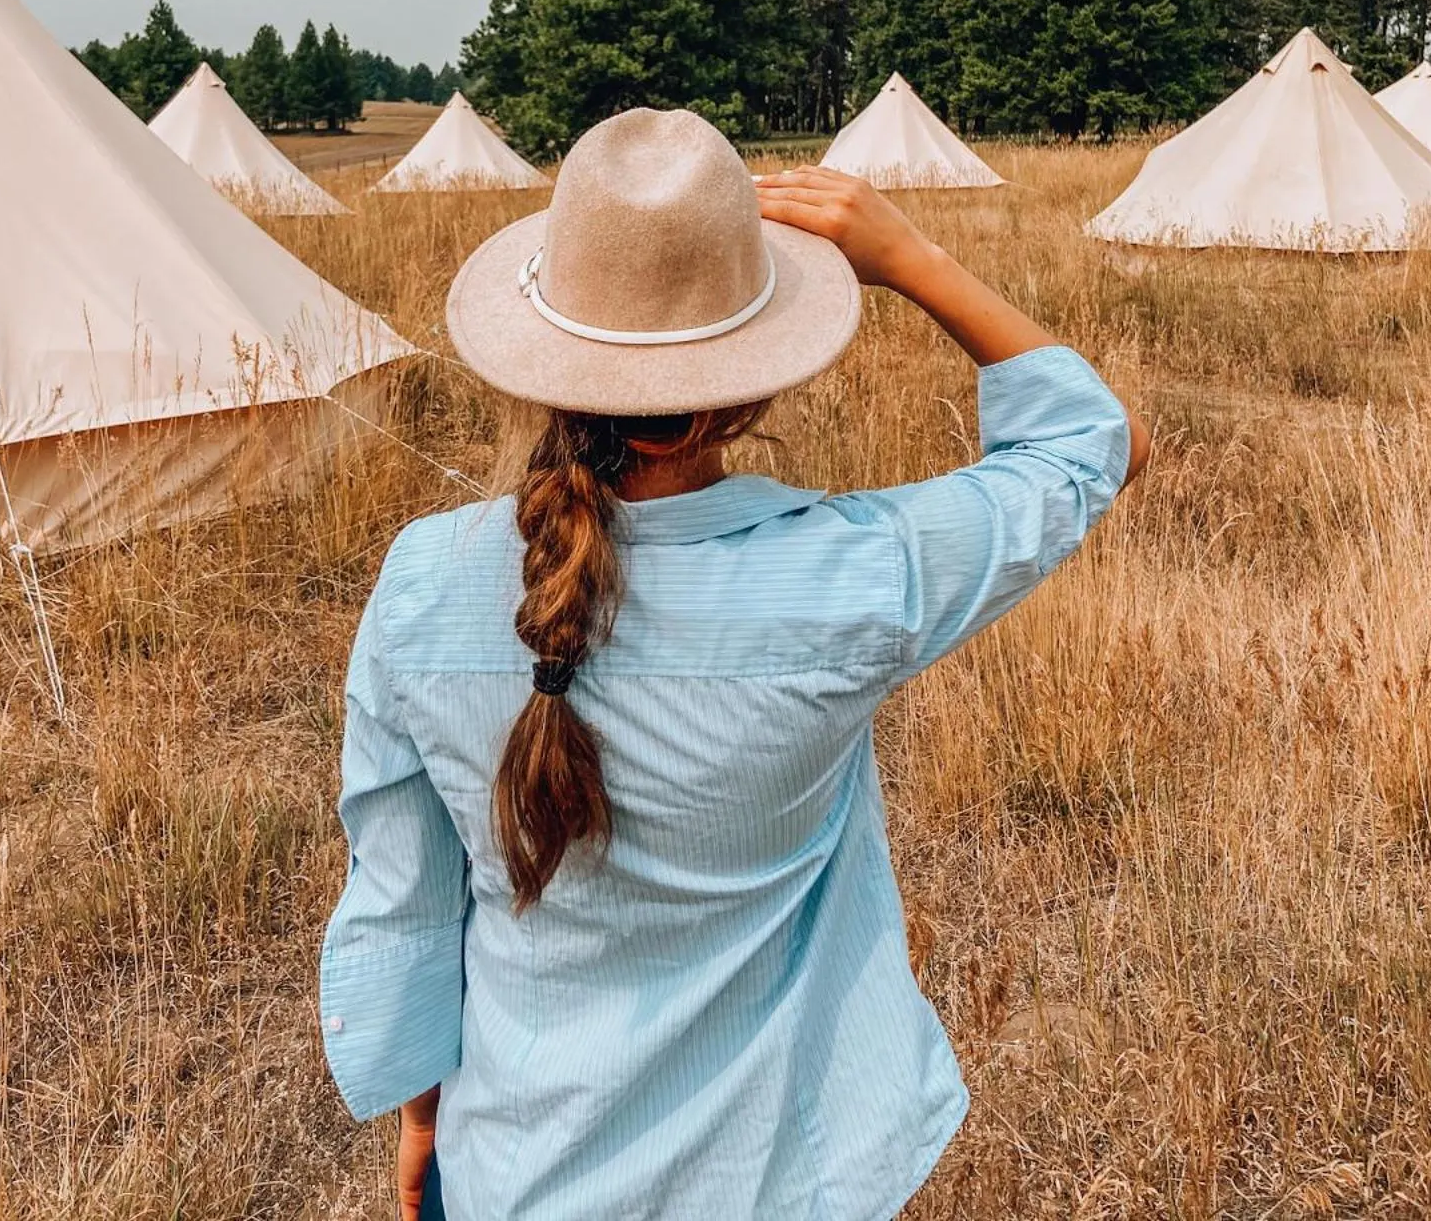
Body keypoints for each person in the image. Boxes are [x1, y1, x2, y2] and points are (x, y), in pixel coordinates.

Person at [320, 108, 1149, 1221]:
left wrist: (424, 1119)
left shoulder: (422, 579)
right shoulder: (855, 576)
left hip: (515, 1171)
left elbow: (401, 902)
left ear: (546, 356)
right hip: (778, 1179)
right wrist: (910, 257)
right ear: (749, 389)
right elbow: (1098, 441)